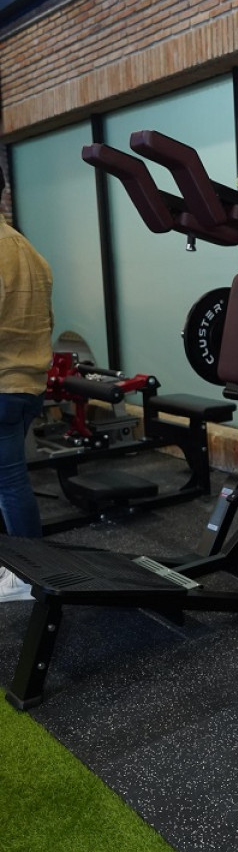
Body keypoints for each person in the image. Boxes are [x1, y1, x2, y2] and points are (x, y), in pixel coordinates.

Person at [0, 165, 54, 602]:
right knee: (8, 481)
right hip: (27, 385)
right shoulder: (28, 250)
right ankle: (19, 568)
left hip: (1, 386)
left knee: (10, 482)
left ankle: (30, 575)